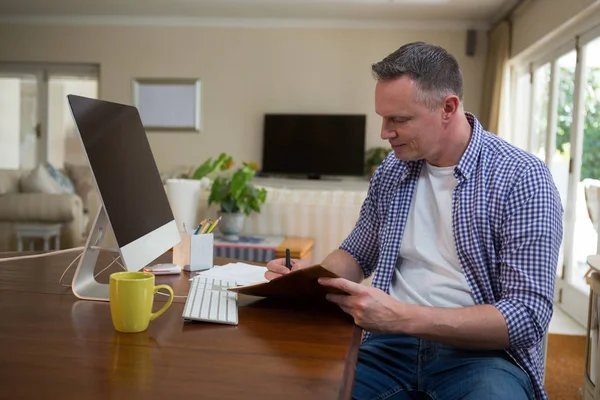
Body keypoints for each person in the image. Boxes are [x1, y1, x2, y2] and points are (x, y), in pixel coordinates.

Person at [265, 41, 563, 400]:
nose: (384, 132)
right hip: (389, 349)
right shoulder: (392, 171)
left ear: (448, 108)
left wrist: (402, 316)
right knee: (296, 387)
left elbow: (527, 315)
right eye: (382, 117)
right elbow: (356, 254)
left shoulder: (522, 178)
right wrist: (310, 281)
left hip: (483, 358)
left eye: (399, 119)